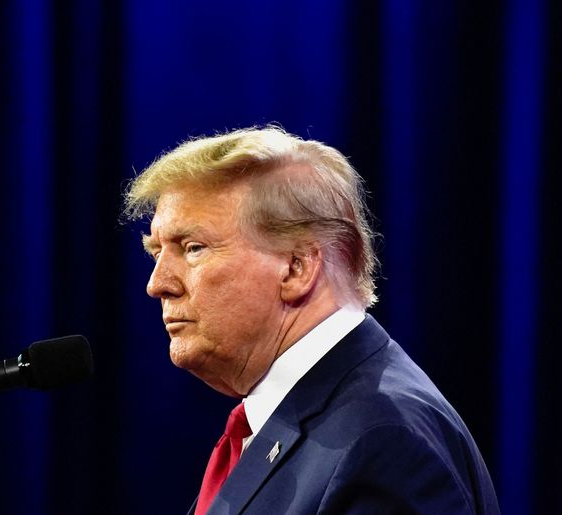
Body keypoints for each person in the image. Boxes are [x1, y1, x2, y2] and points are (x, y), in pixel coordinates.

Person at [124, 126, 499, 514]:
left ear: (296, 268)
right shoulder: (299, 417)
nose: (157, 284)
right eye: (156, 252)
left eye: (193, 248)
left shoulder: (385, 440)